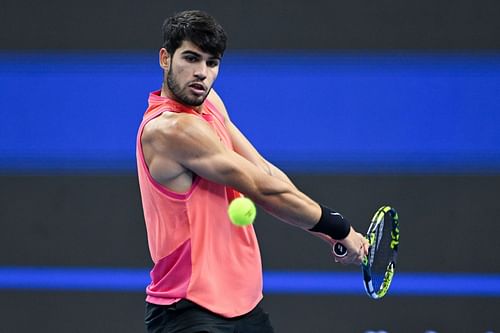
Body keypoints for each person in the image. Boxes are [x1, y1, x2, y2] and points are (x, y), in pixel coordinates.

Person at [136, 10, 369, 333]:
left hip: (246, 309)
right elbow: (261, 189)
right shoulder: (169, 130)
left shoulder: (211, 103)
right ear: (165, 58)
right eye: (190, 58)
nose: (201, 73)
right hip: (188, 312)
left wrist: (329, 234)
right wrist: (339, 225)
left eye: (211, 63)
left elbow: (263, 170)